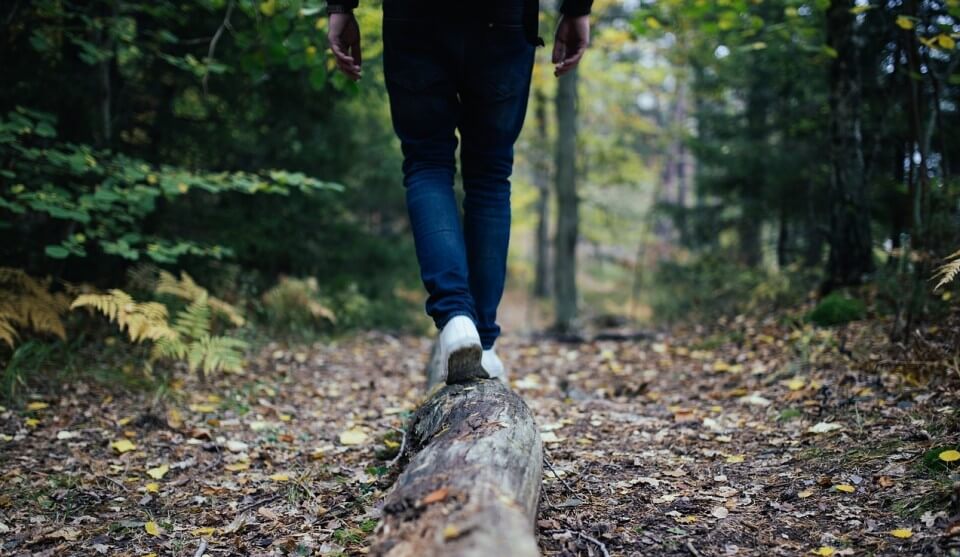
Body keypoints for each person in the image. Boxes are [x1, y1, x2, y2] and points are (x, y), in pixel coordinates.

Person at [326, 0, 592, 384]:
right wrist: (577, 9)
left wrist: (339, 7)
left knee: (427, 164)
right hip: (503, 18)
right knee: (489, 176)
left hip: (414, 17)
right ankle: (482, 342)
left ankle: (455, 321)